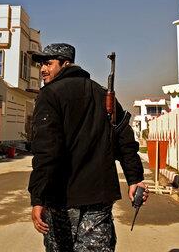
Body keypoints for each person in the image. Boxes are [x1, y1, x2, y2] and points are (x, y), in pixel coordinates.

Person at [28, 43, 147, 252]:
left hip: (60, 198)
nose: (43, 70)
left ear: (65, 64)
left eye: (48, 63)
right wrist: (135, 179)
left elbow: (46, 152)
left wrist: (38, 198)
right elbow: (125, 140)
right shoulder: (102, 94)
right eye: (41, 65)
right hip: (98, 197)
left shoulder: (50, 95)